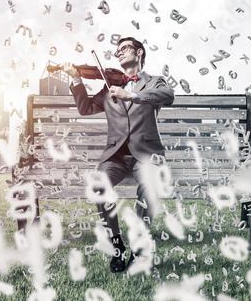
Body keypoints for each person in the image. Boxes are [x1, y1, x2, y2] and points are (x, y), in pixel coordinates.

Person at [62, 36, 174, 273]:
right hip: (116, 156)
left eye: (124, 48)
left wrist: (132, 96)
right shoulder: (108, 87)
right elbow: (85, 108)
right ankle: (117, 245)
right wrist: (75, 77)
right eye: (117, 51)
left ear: (140, 52)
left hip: (145, 154)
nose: (119, 52)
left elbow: (168, 95)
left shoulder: (154, 82)